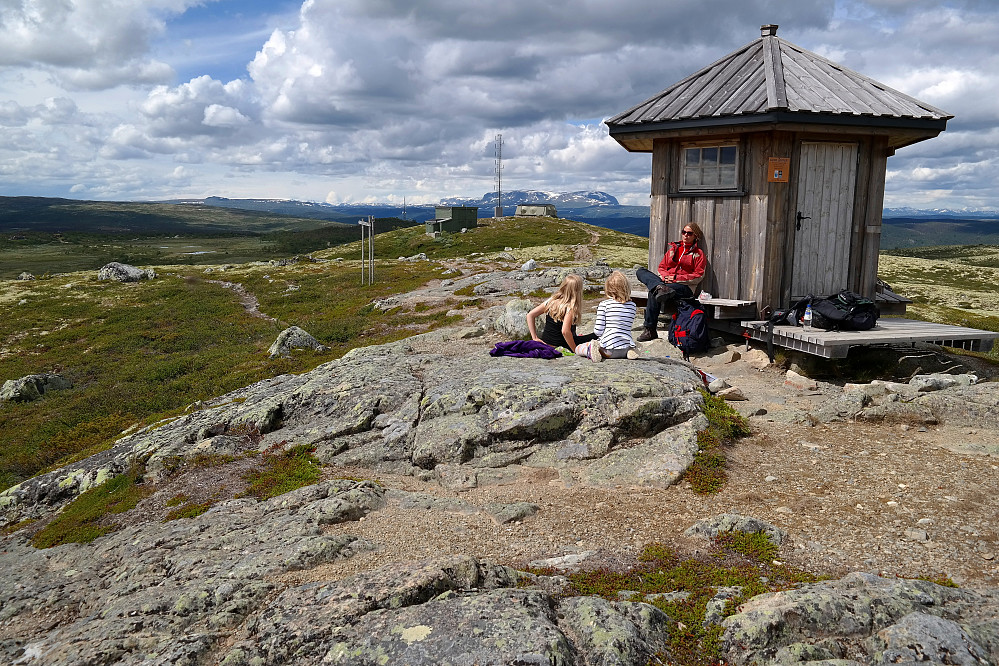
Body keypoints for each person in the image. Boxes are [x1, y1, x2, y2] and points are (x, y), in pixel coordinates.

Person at [636, 222, 707, 341]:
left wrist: (675, 278)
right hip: (666, 284)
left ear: (696, 236)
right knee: (640, 271)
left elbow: (698, 275)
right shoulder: (673, 250)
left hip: (685, 288)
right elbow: (662, 268)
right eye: (684, 232)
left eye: (689, 233)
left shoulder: (698, 254)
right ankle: (660, 287)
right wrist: (664, 278)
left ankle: (650, 330)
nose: (685, 235)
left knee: (653, 292)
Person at [576, 271, 638, 362]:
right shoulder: (632, 306)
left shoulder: (604, 305)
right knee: (625, 342)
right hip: (624, 349)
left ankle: (591, 351)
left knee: (579, 348)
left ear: (609, 288)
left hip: (608, 350)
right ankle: (630, 351)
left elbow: (598, 331)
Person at [526, 274, 595, 350]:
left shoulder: (551, 301)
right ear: (578, 291)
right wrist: (575, 349)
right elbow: (565, 331)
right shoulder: (570, 308)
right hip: (561, 345)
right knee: (596, 335)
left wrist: (535, 337)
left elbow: (530, 315)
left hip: (546, 343)